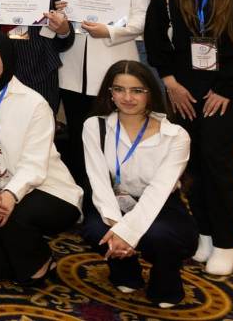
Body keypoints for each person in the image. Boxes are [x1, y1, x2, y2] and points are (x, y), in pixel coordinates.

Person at [143, 0, 233, 276]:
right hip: (183, 90)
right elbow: (155, 40)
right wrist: (171, 84)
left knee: (215, 158)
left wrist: (225, 88)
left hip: (230, 90)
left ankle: (226, 242)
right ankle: (204, 233)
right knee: (190, 162)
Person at [0, 31, 82, 286]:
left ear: (7, 58)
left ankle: (40, 262)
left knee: (14, 220)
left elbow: (34, 166)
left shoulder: (34, 103)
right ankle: (24, 243)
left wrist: (10, 196)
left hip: (47, 189)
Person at [81, 61, 196, 309]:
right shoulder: (95, 126)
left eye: (137, 90)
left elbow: (158, 192)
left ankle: (166, 281)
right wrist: (117, 227)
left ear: (150, 93)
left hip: (158, 203)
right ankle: (125, 271)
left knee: (161, 236)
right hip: (114, 200)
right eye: (119, 89)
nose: (127, 98)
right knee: (96, 229)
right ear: (110, 93)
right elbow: (98, 181)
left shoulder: (175, 135)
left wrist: (128, 233)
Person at [55, 0, 152, 184]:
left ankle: (114, 193)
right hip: (71, 69)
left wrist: (109, 31)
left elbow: (142, 18)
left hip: (114, 65)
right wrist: (59, 19)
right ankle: (82, 195)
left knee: (113, 136)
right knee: (77, 136)